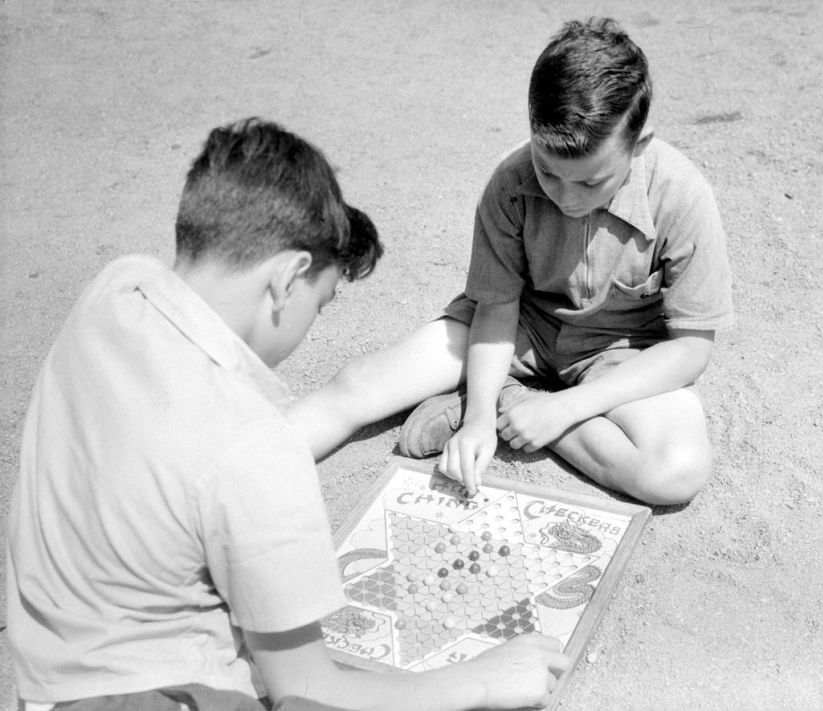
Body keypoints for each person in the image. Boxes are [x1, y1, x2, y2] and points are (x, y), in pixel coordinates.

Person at [6, 117, 569, 711]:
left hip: (42, 683)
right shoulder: (255, 450)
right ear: (288, 278)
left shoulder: (117, 289)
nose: (308, 328)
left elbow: (189, 457)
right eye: (320, 305)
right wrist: (481, 680)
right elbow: (307, 690)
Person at [288, 17, 734, 507]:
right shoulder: (510, 180)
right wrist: (478, 421)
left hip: (621, 355)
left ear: (640, 144)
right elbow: (496, 309)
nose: (565, 196)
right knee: (361, 386)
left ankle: (516, 400)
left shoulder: (682, 194)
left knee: (675, 473)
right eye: (547, 170)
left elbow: (691, 349)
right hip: (518, 330)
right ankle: (236, 470)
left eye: (590, 182)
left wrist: (562, 408)